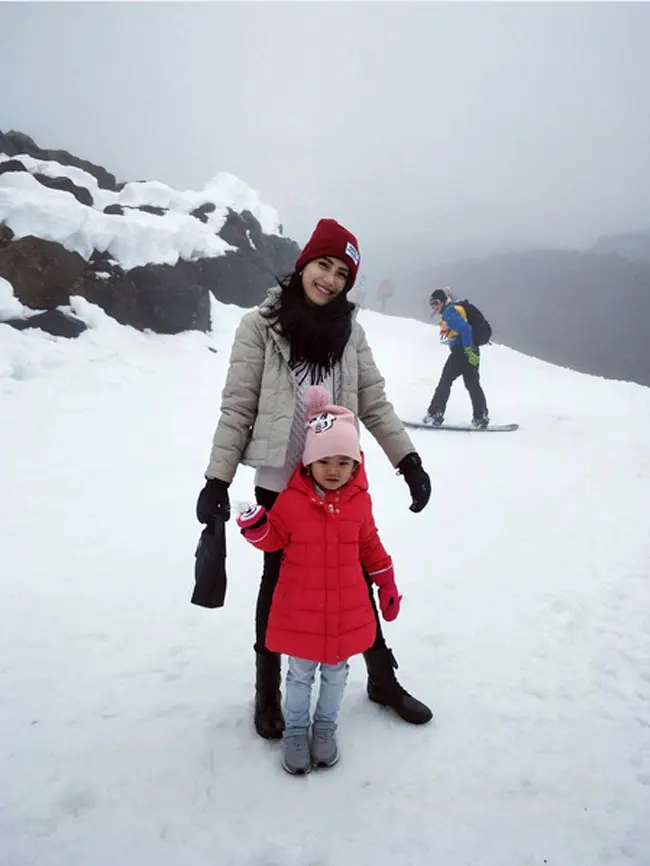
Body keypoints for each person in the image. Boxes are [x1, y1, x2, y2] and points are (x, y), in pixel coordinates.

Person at [196, 217, 433, 740]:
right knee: (278, 587)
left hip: (340, 477)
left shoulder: (352, 332)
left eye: (342, 273)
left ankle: (381, 679)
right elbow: (238, 407)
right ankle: (268, 692)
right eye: (323, 265)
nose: (330, 279)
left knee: (357, 578)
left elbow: (373, 402)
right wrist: (218, 478)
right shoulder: (260, 325)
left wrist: (407, 460)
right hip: (281, 483)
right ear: (305, 263)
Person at [236, 385, 402, 774]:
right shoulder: (292, 501)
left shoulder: (359, 502)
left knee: (336, 675)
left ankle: (325, 727)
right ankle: (296, 729)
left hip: (345, 610)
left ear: (356, 465)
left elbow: (370, 545)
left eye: (344, 462)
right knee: (299, 675)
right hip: (302, 611)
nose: (334, 470)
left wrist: (387, 582)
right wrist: (256, 527)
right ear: (308, 462)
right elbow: (274, 539)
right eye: (325, 460)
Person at [423, 288, 489, 428]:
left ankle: (435, 413)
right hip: (471, 352)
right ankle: (480, 416)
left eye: (436, 303)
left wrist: (467, 349)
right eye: (432, 304)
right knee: (472, 384)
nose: (434, 306)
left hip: (462, 353)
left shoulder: (449, 312)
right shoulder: (453, 309)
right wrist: (471, 351)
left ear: (442, 301)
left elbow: (465, 329)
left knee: (445, 381)